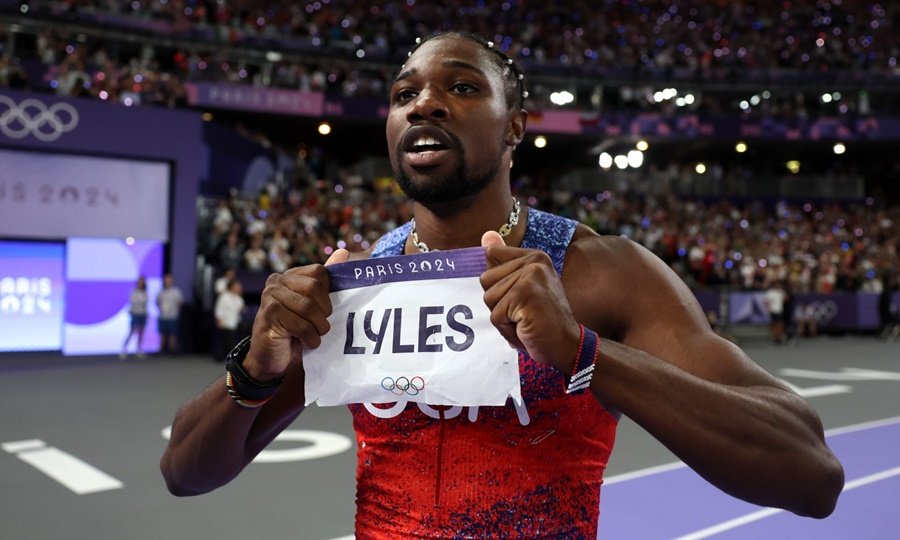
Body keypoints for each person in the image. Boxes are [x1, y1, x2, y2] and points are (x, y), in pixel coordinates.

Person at [161, 32, 843, 537]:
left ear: (514, 127)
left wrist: (583, 353)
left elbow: (812, 474)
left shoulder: (600, 272)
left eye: (461, 87)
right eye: (404, 94)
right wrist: (255, 371)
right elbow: (184, 474)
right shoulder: (357, 285)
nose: (425, 104)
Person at [213, 278, 244, 360]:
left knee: (233, 341)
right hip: (225, 322)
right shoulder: (224, 297)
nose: (239, 287)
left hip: (234, 323)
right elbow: (219, 309)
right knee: (224, 341)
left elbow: (241, 309)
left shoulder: (238, 298)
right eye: (237, 286)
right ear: (232, 287)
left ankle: (231, 357)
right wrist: (219, 320)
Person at [156, 273, 184, 354]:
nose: (168, 281)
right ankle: (161, 351)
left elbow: (180, 303)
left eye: (169, 280)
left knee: (173, 334)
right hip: (163, 316)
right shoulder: (161, 292)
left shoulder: (176, 291)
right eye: (166, 280)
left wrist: (175, 308)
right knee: (162, 334)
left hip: (173, 316)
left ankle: (172, 351)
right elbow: (157, 302)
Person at [121, 276, 148, 358]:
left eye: (142, 282)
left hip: (143, 314)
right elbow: (133, 302)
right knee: (132, 331)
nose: (141, 283)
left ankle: (139, 349)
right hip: (135, 314)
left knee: (141, 333)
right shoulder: (133, 292)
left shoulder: (145, 292)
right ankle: (124, 349)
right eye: (140, 282)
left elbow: (145, 303)